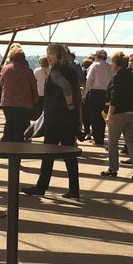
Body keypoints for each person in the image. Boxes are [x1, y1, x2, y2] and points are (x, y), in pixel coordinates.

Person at [23, 43, 82, 202]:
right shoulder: (70, 70)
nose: (48, 56)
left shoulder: (56, 71)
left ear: (59, 55)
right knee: (69, 154)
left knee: (48, 152)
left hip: (56, 118)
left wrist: (69, 103)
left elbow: (66, 87)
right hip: (68, 119)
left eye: (51, 53)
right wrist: (74, 111)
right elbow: (74, 90)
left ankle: (41, 187)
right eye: (48, 53)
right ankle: (74, 189)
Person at [101, 51, 133, 180]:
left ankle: (112, 168)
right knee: (131, 141)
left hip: (119, 114)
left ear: (117, 64)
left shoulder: (117, 77)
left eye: (112, 62)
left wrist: (109, 114)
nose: (111, 64)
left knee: (112, 142)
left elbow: (115, 97)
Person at [0, 44, 37, 143]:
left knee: (10, 123)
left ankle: (9, 144)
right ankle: (19, 146)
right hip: (24, 103)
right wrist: (35, 99)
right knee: (21, 127)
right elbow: (33, 86)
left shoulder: (6, 69)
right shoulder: (28, 71)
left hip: (8, 102)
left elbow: (1, 83)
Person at [83, 49, 113, 147]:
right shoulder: (109, 66)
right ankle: (101, 137)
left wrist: (84, 94)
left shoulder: (94, 65)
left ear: (97, 57)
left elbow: (89, 80)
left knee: (94, 116)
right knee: (103, 115)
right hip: (106, 93)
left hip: (95, 93)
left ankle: (97, 139)